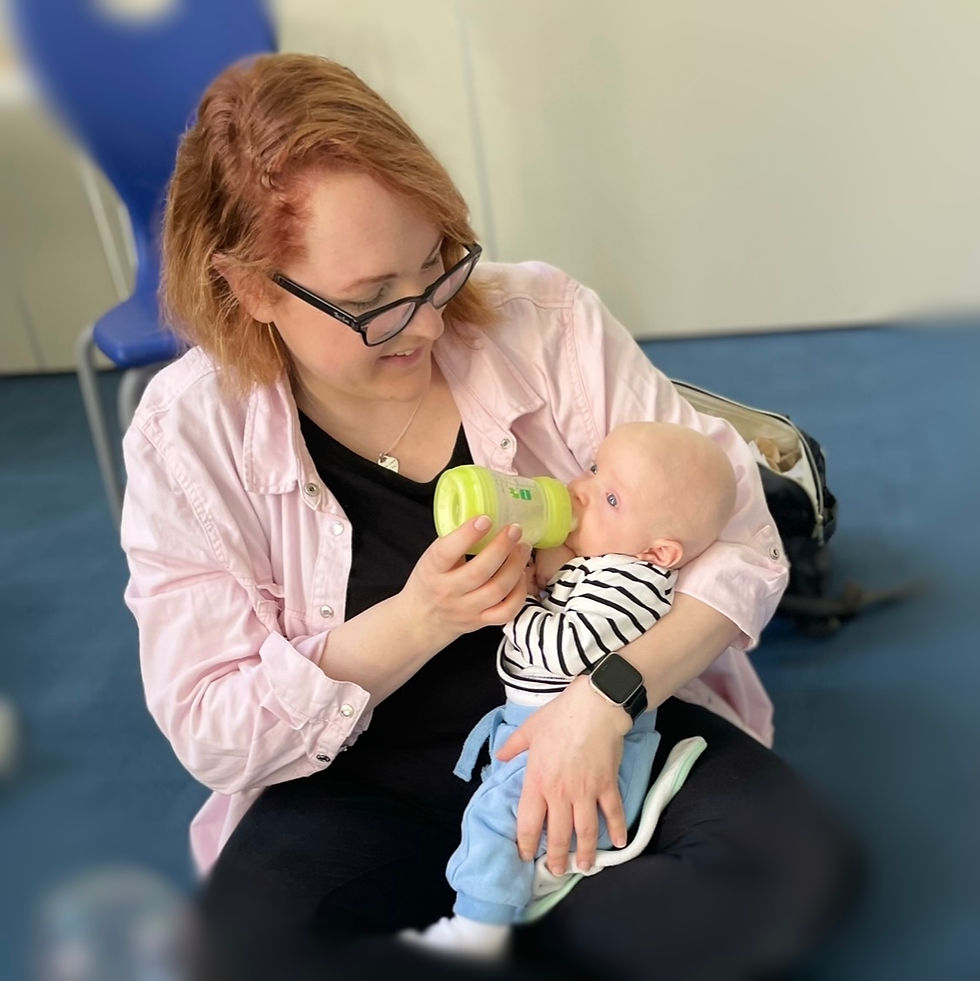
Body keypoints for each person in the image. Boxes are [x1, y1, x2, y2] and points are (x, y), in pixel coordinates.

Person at [120, 52, 860, 980]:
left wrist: (606, 697)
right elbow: (213, 722)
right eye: (372, 305)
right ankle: (519, 923)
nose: (428, 324)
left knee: (799, 871)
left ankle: (480, 924)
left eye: (434, 264)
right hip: (360, 778)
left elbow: (744, 538)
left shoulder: (542, 320)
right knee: (241, 953)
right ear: (252, 289)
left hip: (600, 731)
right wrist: (418, 619)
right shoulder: (188, 435)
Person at [405, 421, 737, 959]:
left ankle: (476, 935)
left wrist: (517, 605)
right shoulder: (601, 565)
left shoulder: (633, 584)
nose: (579, 491)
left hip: (589, 754)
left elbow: (561, 651)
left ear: (660, 553)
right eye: (593, 469)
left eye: (609, 498)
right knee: (494, 812)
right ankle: (524, 882)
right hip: (539, 730)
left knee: (497, 820)